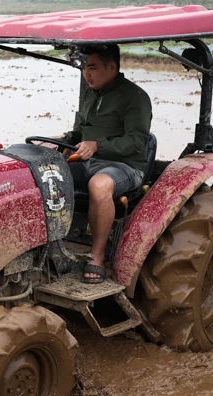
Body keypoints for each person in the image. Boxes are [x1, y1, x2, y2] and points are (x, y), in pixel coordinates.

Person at [56, 44, 152, 282]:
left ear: (112, 67)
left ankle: (97, 257)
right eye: (84, 68)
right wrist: (65, 143)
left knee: (99, 185)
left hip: (125, 166)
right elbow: (83, 130)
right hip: (89, 159)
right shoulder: (92, 92)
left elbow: (137, 141)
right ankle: (52, 242)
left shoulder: (135, 98)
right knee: (47, 174)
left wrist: (97, 145)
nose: (86, 74)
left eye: (92, 68)